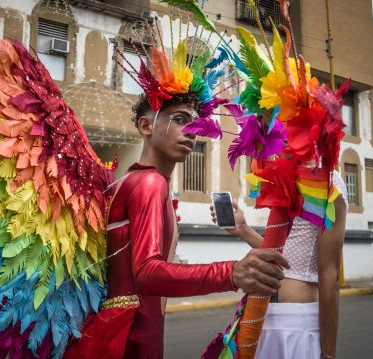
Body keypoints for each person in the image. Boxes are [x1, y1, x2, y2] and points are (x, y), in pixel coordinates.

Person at [65, 93, 290, 359]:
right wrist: (232, 272)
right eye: (180, 120)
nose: (192, 131)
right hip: (132, 336)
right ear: (146, 126)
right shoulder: (150, 183)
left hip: (118, 328)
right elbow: (147, 271)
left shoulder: (131, 181)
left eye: (195, 123)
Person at [211, 171, 348, 359]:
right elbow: (285, 257)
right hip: (264, 314)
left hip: (293, 323)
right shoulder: (287, 175)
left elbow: (330, 276)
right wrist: (243, 230)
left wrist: (329, 354)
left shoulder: (328, 182)